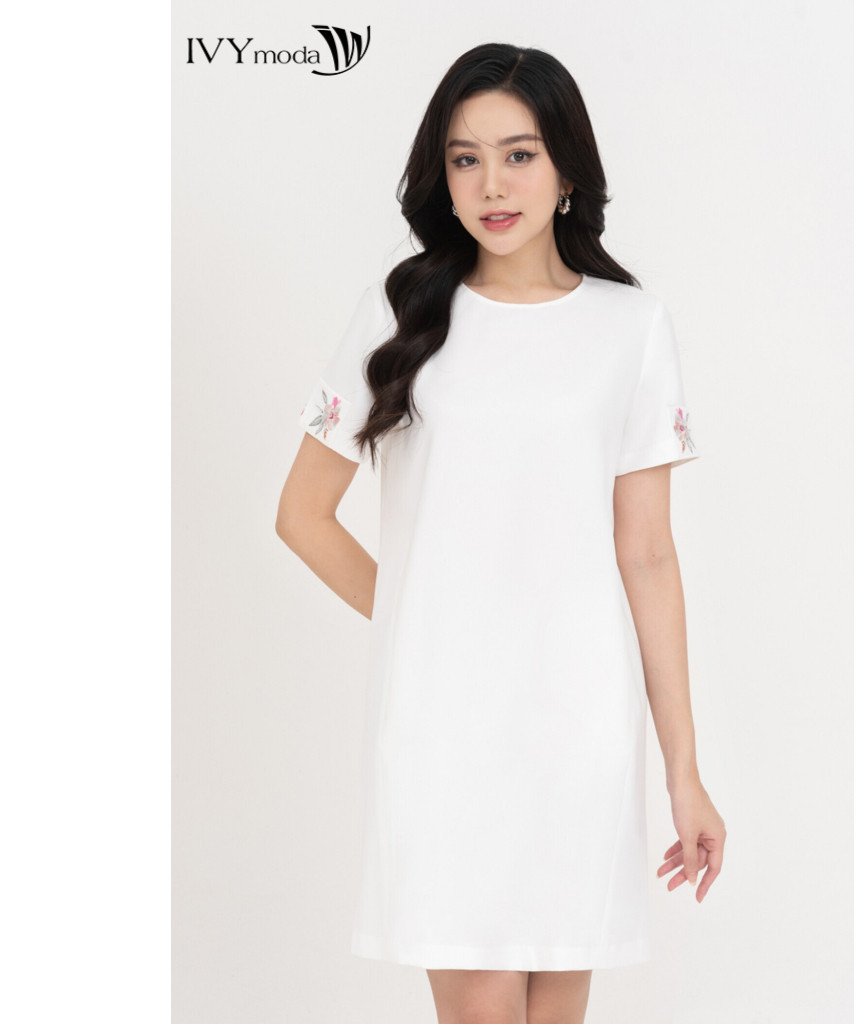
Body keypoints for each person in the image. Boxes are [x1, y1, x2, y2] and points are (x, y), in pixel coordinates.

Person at [276, 41, 726, 1024]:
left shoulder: (631, 327)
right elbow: (302, 515)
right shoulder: (399, 310)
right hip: (442, 727)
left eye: (519, 154)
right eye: (464, 158)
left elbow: (648, 554)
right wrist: (421, 622)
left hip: (579, 723)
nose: (491, 184)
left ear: (567, 168)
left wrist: (684, 773)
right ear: (440, 176)